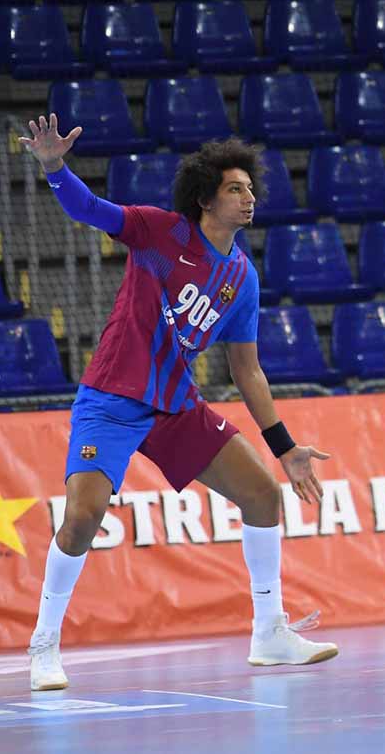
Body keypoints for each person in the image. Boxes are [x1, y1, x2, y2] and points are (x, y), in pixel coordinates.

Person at [20, 115, 337, 691]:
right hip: (112, 398)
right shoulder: (159, 233)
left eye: (250, 188)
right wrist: (53, 167)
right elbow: (92, 210)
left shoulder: (241, 276)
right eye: (236, 189)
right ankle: (44, 642)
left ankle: (269, 633)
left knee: (264, 495)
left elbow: (248, 370)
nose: (249, 198)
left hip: (174, 405)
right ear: (205, 198)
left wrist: (285, 448)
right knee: (83, 516)